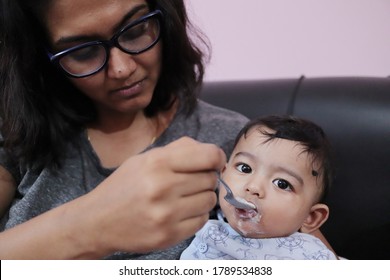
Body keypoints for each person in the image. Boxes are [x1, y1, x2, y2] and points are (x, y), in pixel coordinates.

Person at [0, 0, 249, 259]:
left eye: (135, 31)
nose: (122, 68)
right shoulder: (15, 128)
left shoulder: (239, 143)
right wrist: (91, 225)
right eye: (83, 52)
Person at [181, 115, 338, 260]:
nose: (254, 187)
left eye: (282, 184)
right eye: (245, 168)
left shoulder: (313, 256)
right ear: (223, 173)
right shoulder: (206, 229)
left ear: (310, 217)